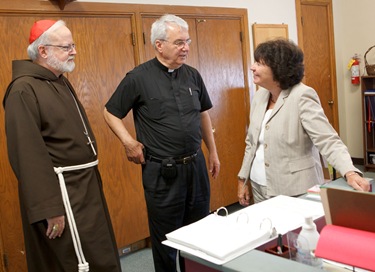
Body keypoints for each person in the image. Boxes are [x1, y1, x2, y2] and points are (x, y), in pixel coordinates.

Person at [103, 14, 220, 272]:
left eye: (187, 41)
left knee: (201, 234)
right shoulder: (137, 78)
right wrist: (128, 142)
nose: (186, 47)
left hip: (196, 166)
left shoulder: (193, 75)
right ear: (159, 45)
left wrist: (213, 152)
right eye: (179, 42)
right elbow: (110, 112)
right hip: (162, 173)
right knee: (167, 241)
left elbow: (203, 113)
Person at [3, 20, 121, 272]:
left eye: (73, 45)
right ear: (43, 51)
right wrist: (49, 208)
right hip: (63, 193)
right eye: (66, 46)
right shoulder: (23, 90)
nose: (74, 51)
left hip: (84, 186)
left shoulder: (58, 80)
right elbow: (28, 155)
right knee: (75, 260)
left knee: (99, 251)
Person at [237, 38, 370, 205]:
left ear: (278, 68)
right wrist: (243, 179)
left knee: (298, 231)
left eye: (259, 63)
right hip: (260, 185)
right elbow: (251, 143)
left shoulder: (302, 96)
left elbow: (327, 139)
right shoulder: (259, 96)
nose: (252, 67)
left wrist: (349, 172)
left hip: (294, 189)